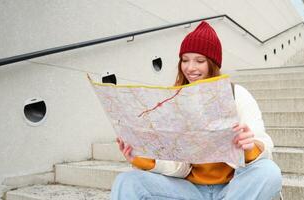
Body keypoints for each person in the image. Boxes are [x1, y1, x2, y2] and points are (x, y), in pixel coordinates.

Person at [110, 21, 282, 200]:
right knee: (127, 181)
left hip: (234, 190)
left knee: (269, 172)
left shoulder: (238, 94)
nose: (190, 68)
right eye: (185, 60)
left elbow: (266, 148)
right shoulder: (173, 100)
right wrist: (140, 157)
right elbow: (179, 168)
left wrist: (249, 146)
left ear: (212, 64)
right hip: (189, 191)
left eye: (199, 61)